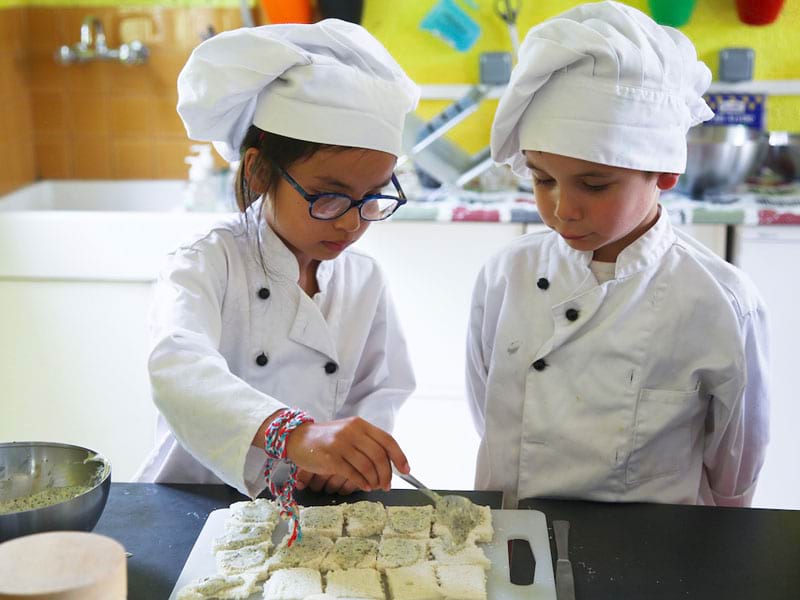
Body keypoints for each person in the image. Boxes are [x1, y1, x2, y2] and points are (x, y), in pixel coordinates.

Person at [467, 1, 769, 508]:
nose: (563, 209)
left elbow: (736, 464)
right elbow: (488, 411)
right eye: (542, 179)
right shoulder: (506, 274)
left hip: (657, 552)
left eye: (595, 184)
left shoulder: (720, 301)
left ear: (665, 172)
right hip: (513, 534)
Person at [135, 19, 420, 503]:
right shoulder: (207, 264)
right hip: (195, 500)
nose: (351, 224)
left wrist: (352, 456)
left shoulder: (363, 279)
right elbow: (178, 369)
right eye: (329, 196)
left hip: (314, 509)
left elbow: (383, 386)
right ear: (260, 171)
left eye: (373, 198)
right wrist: (294, 434)